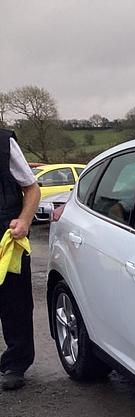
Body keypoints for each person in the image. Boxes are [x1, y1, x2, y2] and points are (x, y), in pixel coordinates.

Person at [0, 129, 41, 391]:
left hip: (6, 237)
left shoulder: (4, 144)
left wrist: (24, 221)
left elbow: (32, 188)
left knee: (15, 302)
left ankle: (16, 363)